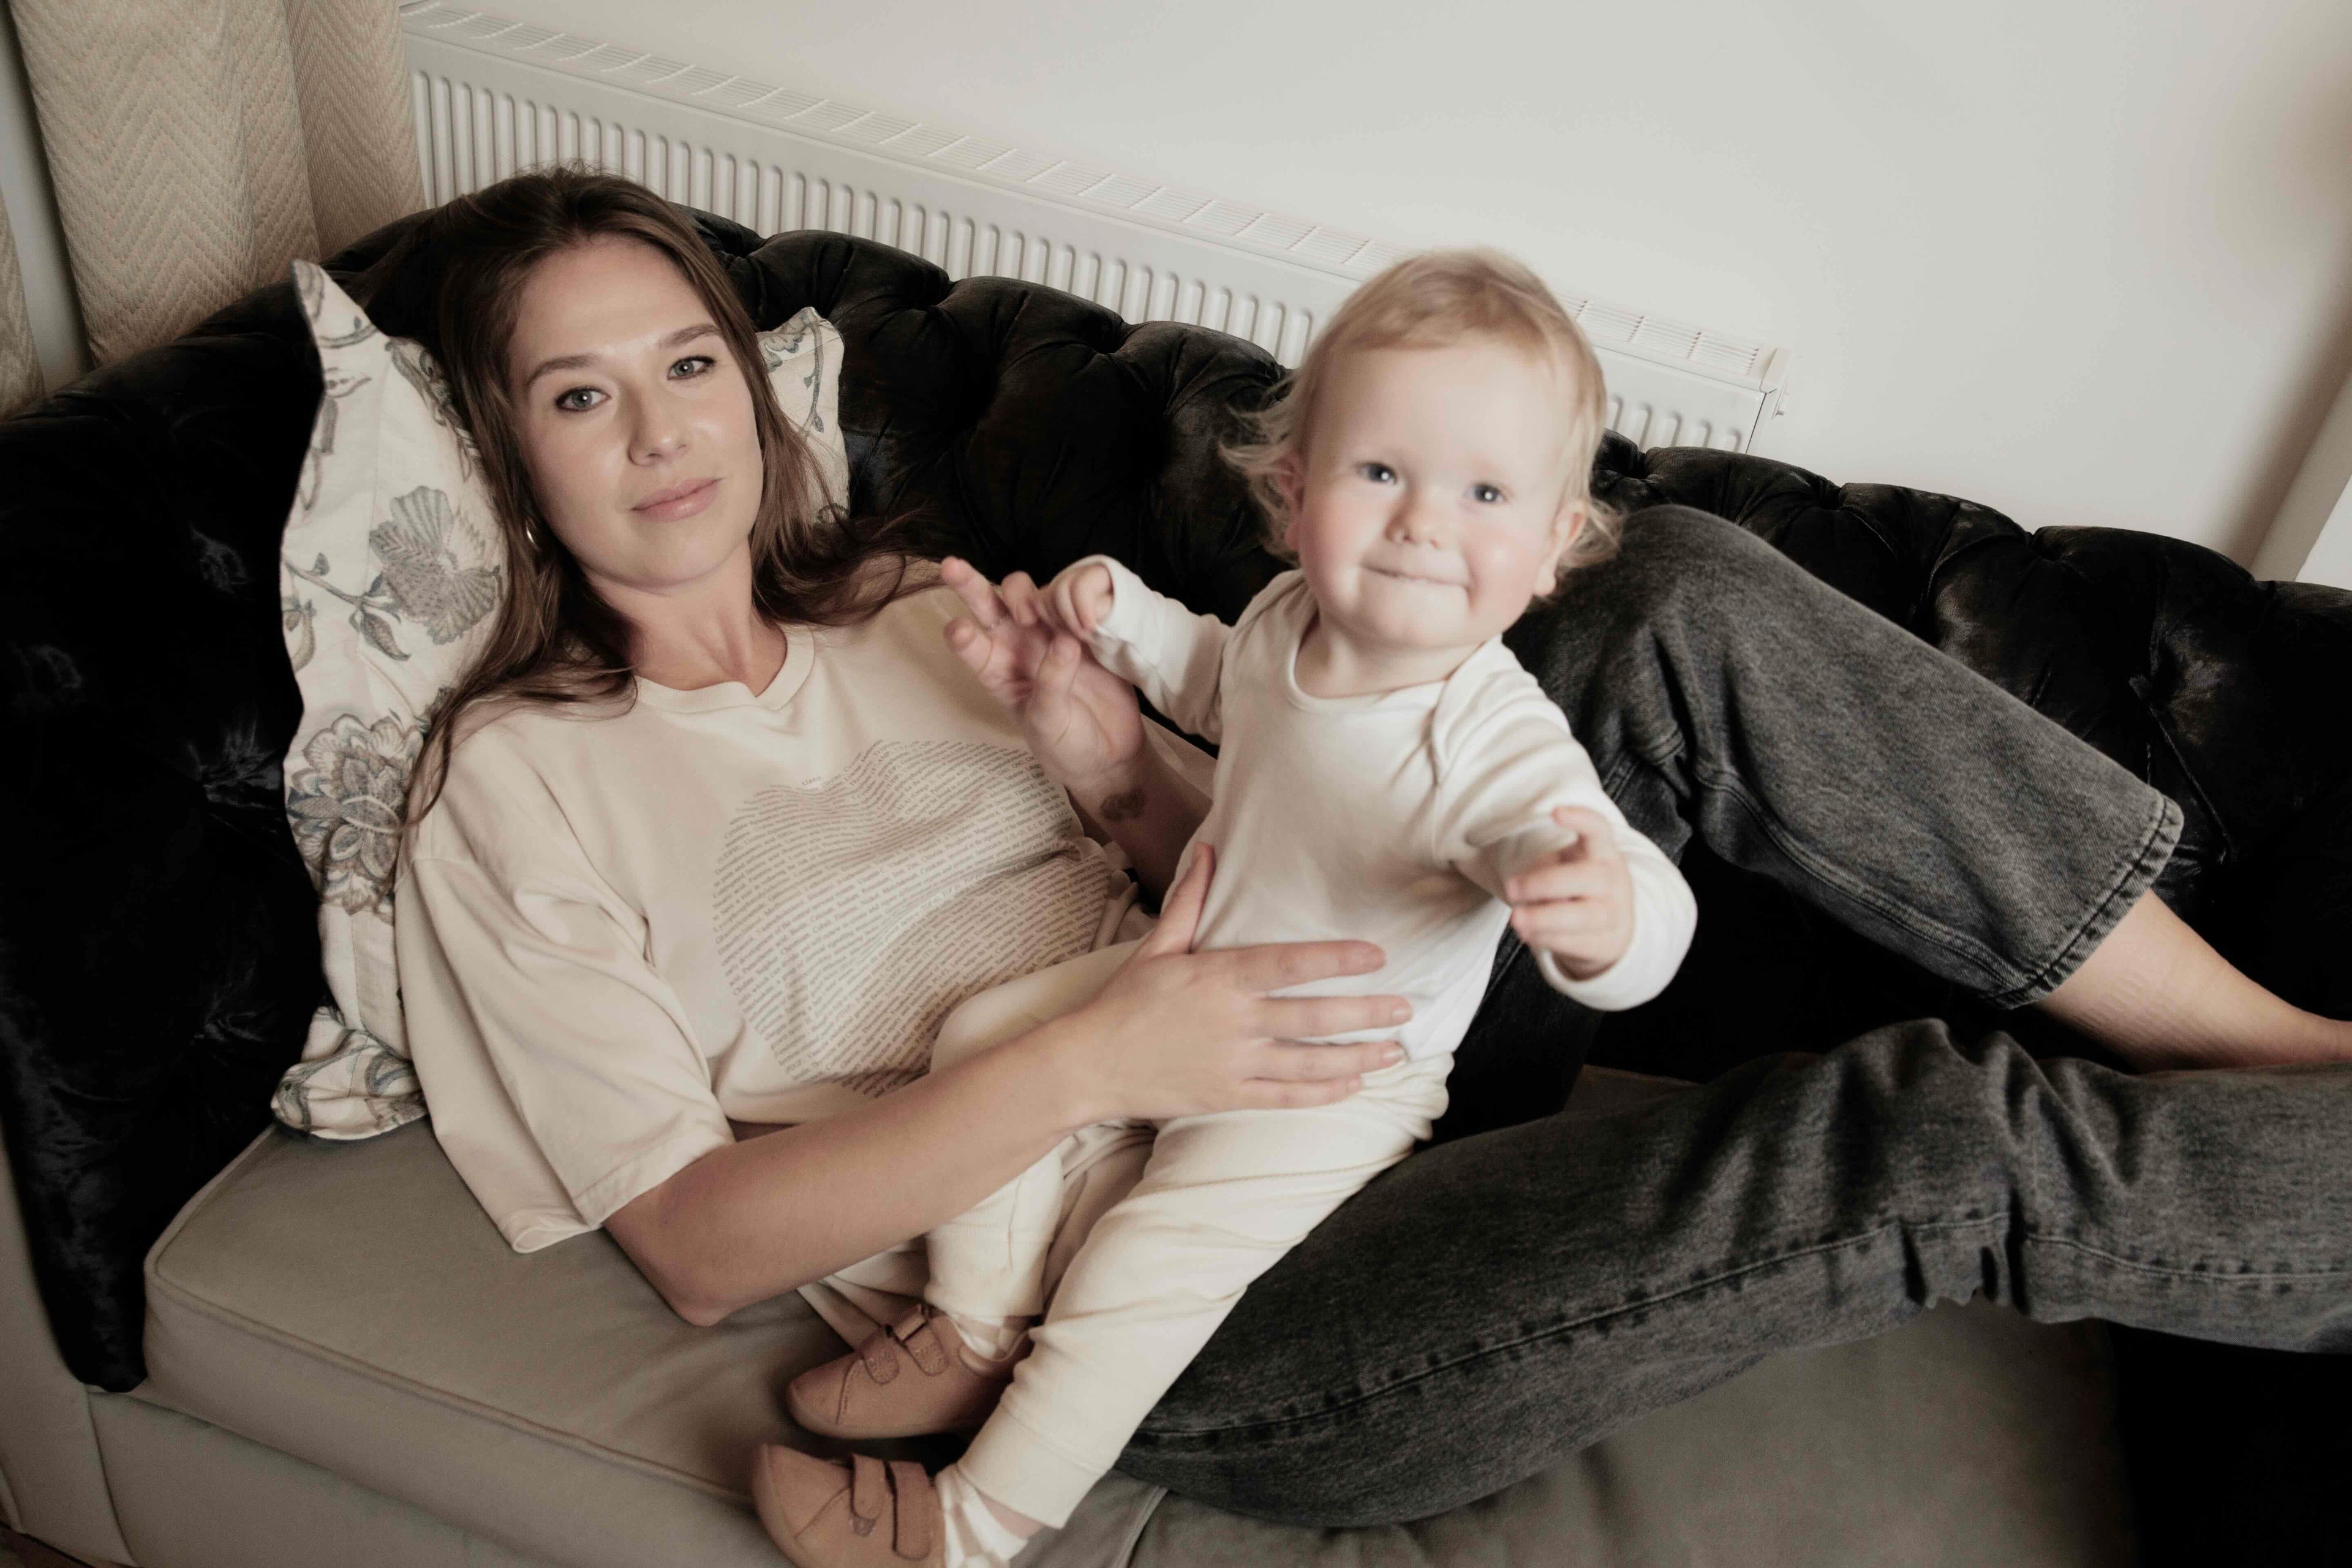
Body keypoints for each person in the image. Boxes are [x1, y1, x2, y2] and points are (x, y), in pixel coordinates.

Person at [386, 165, 2352, 1564]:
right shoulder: (521, 785)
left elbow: (1260, 838)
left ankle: (2269, 1042)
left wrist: (1108, 766)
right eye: (581, 394)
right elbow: (698, 1242)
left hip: (1350, 1037)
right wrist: (1098, 1063)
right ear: (508, 450)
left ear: (751, 378)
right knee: (1921, 1140)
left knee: (1671, 587)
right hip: (1167, 1293)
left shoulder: (914, 607)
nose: (661, 431)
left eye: (690, 361)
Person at [761, 251, 1698, 1568]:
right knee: (986, 1037)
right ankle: (968, 1327)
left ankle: (967, 1527)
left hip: (1327, 1079)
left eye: (1485, 492)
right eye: (1383, 472)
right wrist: (1126, 619)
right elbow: (1216, 686)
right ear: (1292, 489)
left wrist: (1603, 910)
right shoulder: (1283, 618)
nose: (1427, 522)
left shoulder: (1490, 738)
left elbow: (1628, 893)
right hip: (1183, 977)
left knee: (1140, 1266)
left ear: (1551, 550)